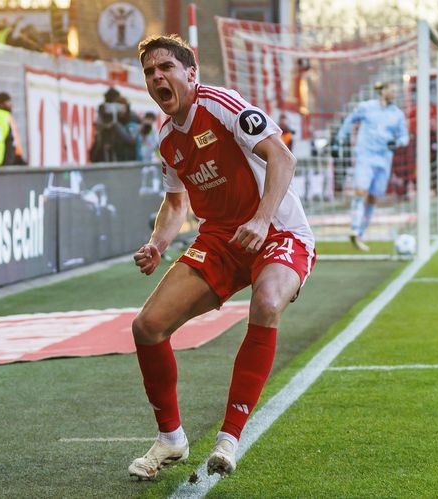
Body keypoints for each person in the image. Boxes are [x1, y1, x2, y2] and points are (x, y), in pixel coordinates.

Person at [128, 35, 316, 479]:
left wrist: (260, 218)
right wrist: (157, 243)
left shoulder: (223, 104)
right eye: (149, 72)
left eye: (166, 68)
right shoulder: (167, 138)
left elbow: (282, 159)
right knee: (147, 327)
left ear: (191, 74)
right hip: (219, 240)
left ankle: (229, 438)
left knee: (267, 303)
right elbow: (176, 205)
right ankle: (170, 439)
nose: (157, 76)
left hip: (277, 230)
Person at [337, 81, 408, 251]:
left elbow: (405, 137)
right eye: (392, 89)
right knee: (360, 192)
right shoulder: (366, 107)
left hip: (384, 161)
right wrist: (340, 138)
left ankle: (360, 234)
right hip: (365, 157)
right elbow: (350, 120)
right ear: (382, 91)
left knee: (373, 197)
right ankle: (354, 228)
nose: (394, 93)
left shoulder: (397, 114)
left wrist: (397, 142)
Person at [0, 92, 27, 165]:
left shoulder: (9, 116)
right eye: (8, 102)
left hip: (16, 153)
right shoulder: (0, 117)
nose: (11, 105)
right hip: (9, 154)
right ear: (1, 104)